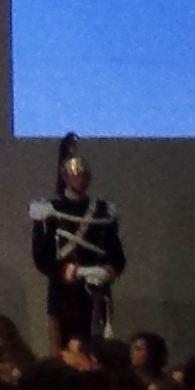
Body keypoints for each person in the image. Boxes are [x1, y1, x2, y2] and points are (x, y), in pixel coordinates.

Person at [29, 136, 124, 349]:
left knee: (97, 348)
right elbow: (42, 257)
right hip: (64, 297)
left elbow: (116, 253)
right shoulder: (49, 211)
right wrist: (73, 272)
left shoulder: (102, 211)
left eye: (84, 176)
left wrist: (107, 271)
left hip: (96, 293)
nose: (80, 180)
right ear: (66, 177)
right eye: (76, 175)